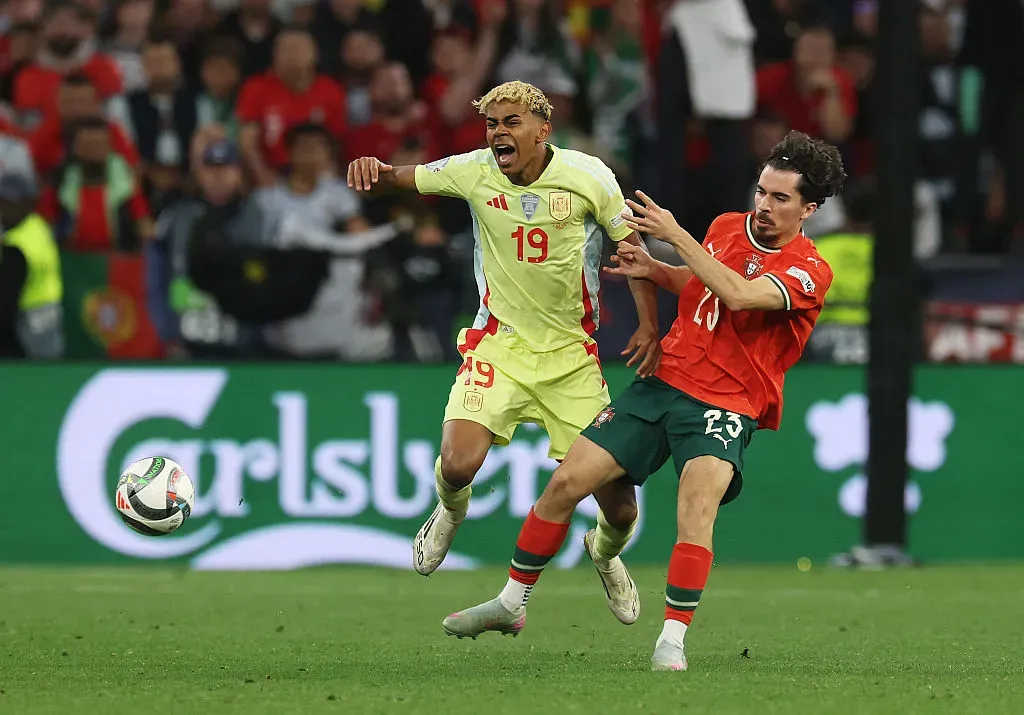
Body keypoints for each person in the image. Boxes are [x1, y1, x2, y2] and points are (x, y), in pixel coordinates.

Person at [441, 130, 845, 673]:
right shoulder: (728, 227)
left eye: (780, 199)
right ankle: (512, 603)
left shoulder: (808, 270)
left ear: (809, 208)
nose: (763, 206)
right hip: (663, 383)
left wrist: (674, 237)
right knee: (565, 484)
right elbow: (703, 287)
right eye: (762, 191)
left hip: (726, 405)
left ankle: (671, 641)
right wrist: (656, 270)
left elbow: (740, 295)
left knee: (694, 513)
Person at [347, 80, 661, 625]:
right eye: (492, 124)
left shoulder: (590, 177)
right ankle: (448, 511)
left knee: (621, 508)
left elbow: (632, 249)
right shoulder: (473, 171)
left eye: (511, 122)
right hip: (500, 345)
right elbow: (404, 177)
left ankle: (605, 553)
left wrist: (649, 325)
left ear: (544, 129)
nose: (498, 134)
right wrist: (373, 170)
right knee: (458, 462)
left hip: (573, 358)